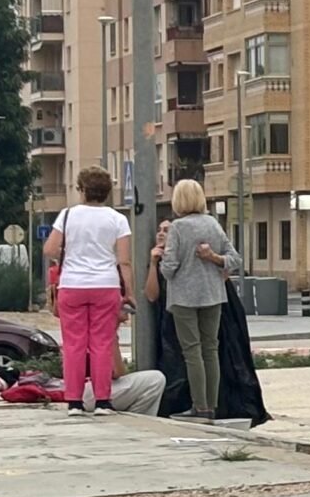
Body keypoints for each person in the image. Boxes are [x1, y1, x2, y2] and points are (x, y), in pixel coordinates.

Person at [143, 219, 273, 427]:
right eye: (159, 230)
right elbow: (151, 295)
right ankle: (205, 406)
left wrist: (209, 259)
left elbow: (227, 267)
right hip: (174, 320)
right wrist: (154, 262)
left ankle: (204, 406)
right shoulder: (206, 229)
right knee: (201, 352)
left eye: (166, 230)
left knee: (203, 351)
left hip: (197, 308)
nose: (161, 234)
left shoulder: (189, 242)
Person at [40, 166, 132, 417]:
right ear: (107, 192)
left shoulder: (68, 215)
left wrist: (68, 258)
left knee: (74, 345)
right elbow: (124, 260)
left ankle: (74, 402)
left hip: (72, 286)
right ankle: (103, 401)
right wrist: (129, 292)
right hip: (106, 285)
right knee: (102, 343)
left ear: (81, 190)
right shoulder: (118, 219)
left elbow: (49, 249)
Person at [154, 179, 242, 422]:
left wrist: (163, 264)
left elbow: (170, 268)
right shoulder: (213, 224)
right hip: (213, 294)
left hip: (184, 297)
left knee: (192, 351)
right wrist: (213, 258)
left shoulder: (178, 227)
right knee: (210, 348)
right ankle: (211, 405)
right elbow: (234, 259)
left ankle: (199, 405)